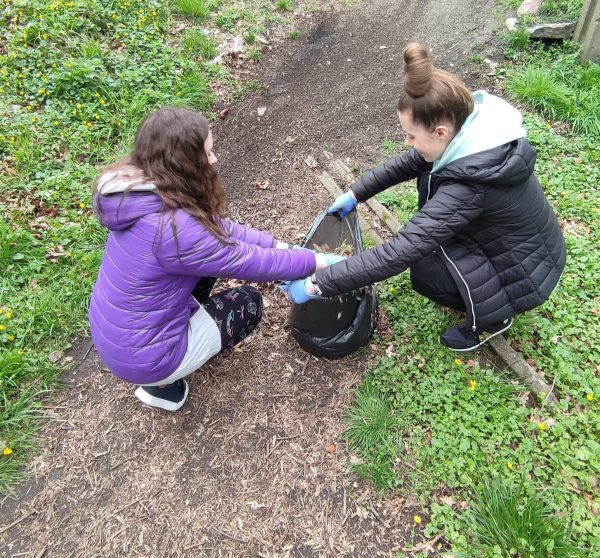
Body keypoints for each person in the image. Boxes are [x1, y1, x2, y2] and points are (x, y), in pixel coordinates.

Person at [284, 42, 566, 352]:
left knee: (425, 275)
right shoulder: (472, 135)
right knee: (428, 254)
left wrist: (317, 284)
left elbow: (398, 253)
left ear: (441, 132)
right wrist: (355, 193)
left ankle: (494, 319)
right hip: (521, 247)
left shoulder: (470, 185)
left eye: (412, 136)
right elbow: (410, 162)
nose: (407, 142)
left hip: (525, 274)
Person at [89, 107, 343, 411]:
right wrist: (316, 262)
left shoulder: (140, 193)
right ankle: (162, 386)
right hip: (146, 358)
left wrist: (281, 246)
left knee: (205, 270)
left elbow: (220, 231)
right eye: (207, 153)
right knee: (248, 303)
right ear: (183, 164)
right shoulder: (173, 231)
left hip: (118, 334)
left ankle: (169, 355)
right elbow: (249, 262)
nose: (213, 159)